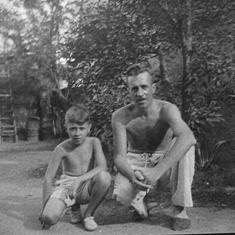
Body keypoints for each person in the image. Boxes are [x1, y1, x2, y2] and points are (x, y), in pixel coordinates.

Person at [112, 62, 196, 231]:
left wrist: (157, 171)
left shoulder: (167, 109)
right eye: (134, 88)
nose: (140, 93)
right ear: (128, 90)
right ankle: (140, 199)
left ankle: (180, 209)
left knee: (186, 147)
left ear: (153, 88)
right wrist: (131, 174)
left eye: (144, 87)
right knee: (121, 196)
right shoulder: (120, 116)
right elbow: (119, 157)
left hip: (162, 164)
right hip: (135, 163)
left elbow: (188, 137)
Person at [39, 105, 111, 231]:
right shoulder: (61, 148)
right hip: (67, 186)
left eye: (81, 128)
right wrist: (44, 207)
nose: (77, 133)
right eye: (73, 129)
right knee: (48, 217)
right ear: (66, 128)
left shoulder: (94, 142)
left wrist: (78, 181)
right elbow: (48, 178)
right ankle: (74, 208)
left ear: (89, 128)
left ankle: (88, 215)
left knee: (104, 177)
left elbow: (102, 166)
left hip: (85, 185)